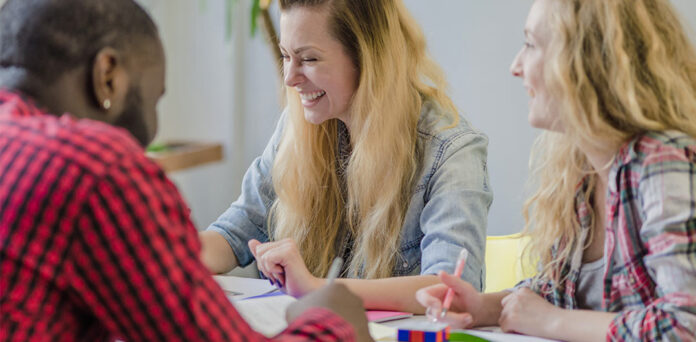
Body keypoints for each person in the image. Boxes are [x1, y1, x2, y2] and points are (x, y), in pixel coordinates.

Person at [0, 0, 373, 341]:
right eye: (154, 98)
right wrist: (331, 322)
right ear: (108, 75)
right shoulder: (94, 167)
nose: (152, 129)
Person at [416, 0, 696, 340]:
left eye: (531, 44)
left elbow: (685, 325)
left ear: (589, 61)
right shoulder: (579, 170)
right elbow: (557, 295)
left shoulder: (663, 161)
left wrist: (551, 322)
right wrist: (483, 308)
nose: (515, 66)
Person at [199, 0, 492, 313]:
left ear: (367, 58)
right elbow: (234, 232)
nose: (289, 77)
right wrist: (167, 255)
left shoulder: (451, 150)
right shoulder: (298, 126)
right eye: (286, 56)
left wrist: (317, 289)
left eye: (308, 59)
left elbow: (451, 292)